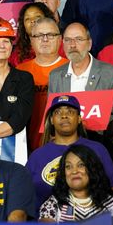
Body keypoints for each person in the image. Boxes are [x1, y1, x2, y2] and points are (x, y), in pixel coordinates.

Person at [26, 95, 113, 207]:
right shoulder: (37, 156)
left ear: (79, 119)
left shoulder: (98, 149)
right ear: (51, 120)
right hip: (47, 222)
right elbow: (25, 197)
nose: (64, 116)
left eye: (70, 112)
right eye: (58, 112)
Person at [48, 22, 113, 133]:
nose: (72, 45)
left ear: (89, 44)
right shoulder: (55, 76)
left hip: (102, 142)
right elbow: (51, 116)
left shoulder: (112, 74)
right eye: (67, 40)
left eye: (79, 39)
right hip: (65, 143)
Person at [39, 143, 113, 223]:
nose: (74, 171)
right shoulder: (52, 205)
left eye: (81, 165)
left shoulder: (112, 204)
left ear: (92, 169)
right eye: (68, 166)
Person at [17, 17, 67, 148]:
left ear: (60, 39)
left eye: (50, 35)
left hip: (63, 141)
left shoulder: (72, 68)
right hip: (25, 143)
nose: (45, 39)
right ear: (31, 40)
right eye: (39, 35)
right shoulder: (20, 71)